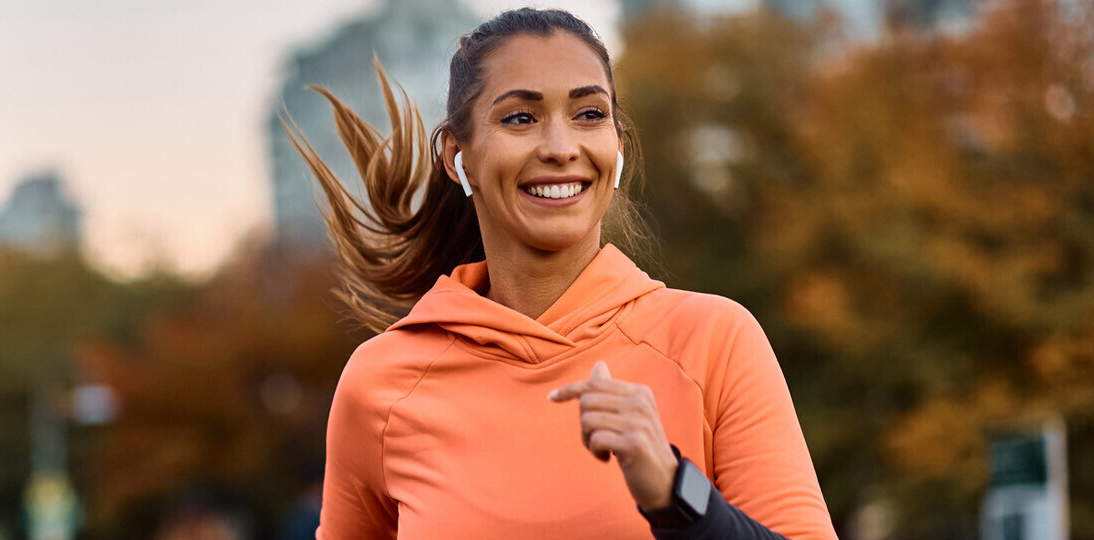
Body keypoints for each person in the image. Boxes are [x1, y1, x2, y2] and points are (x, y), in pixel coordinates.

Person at [288, 8, 837, 539]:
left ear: (617, 147)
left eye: (589, 114)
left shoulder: (715, 341)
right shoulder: (380, 384)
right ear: (460, 156)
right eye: (520, 118)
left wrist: (678, 494)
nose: (560, 148)